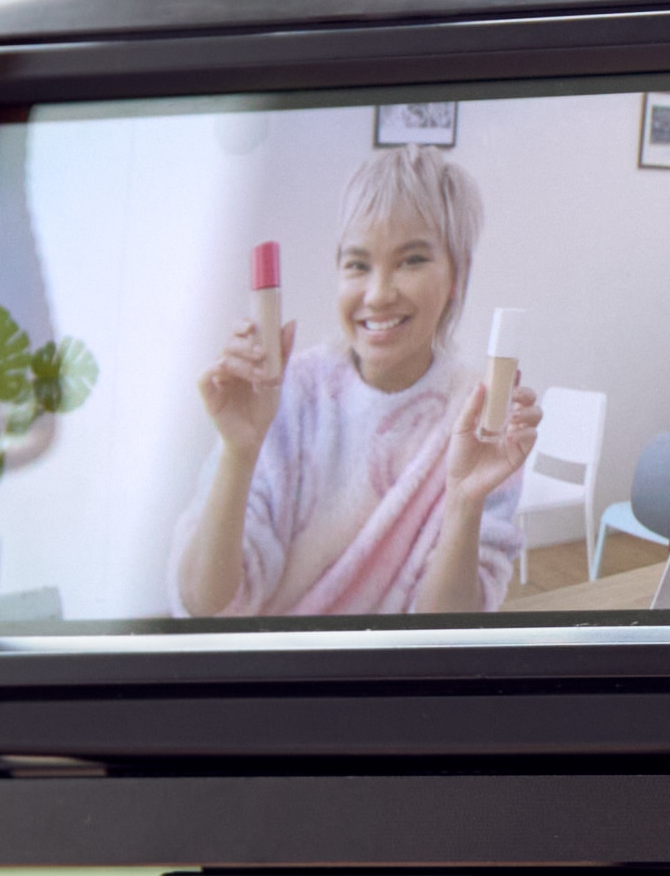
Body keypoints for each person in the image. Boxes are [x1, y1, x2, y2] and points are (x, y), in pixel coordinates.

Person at [173, 148, 538, 619]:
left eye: (411, 260)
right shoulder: (289, 393)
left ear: (457, 275)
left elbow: (441, 638)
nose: (379, 294)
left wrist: (465, 504)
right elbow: (205, 606)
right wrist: (238, 453)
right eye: (358, 265)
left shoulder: (483, 422)